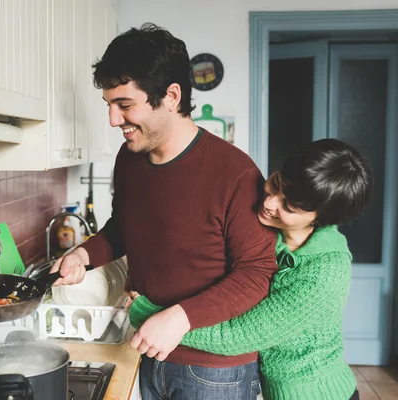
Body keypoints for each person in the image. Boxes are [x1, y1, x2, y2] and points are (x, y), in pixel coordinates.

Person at [50, 23, 278, 399]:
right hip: (148, 349)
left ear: (171, 96)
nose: (113, 120)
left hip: (214, 371)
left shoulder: (234, 173)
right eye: (109, 105)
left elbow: (257, 274)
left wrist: (179, 318)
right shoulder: (130, 157)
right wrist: (84, 254)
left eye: (124, 105)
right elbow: (125, 227)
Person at [127, 138, 373, 400]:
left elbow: (238, 336)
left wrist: (151, 314)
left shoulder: (324, 273)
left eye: (288, 207)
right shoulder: (268, 233)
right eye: (276, 183)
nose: (270, 202)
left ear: (319, 219)